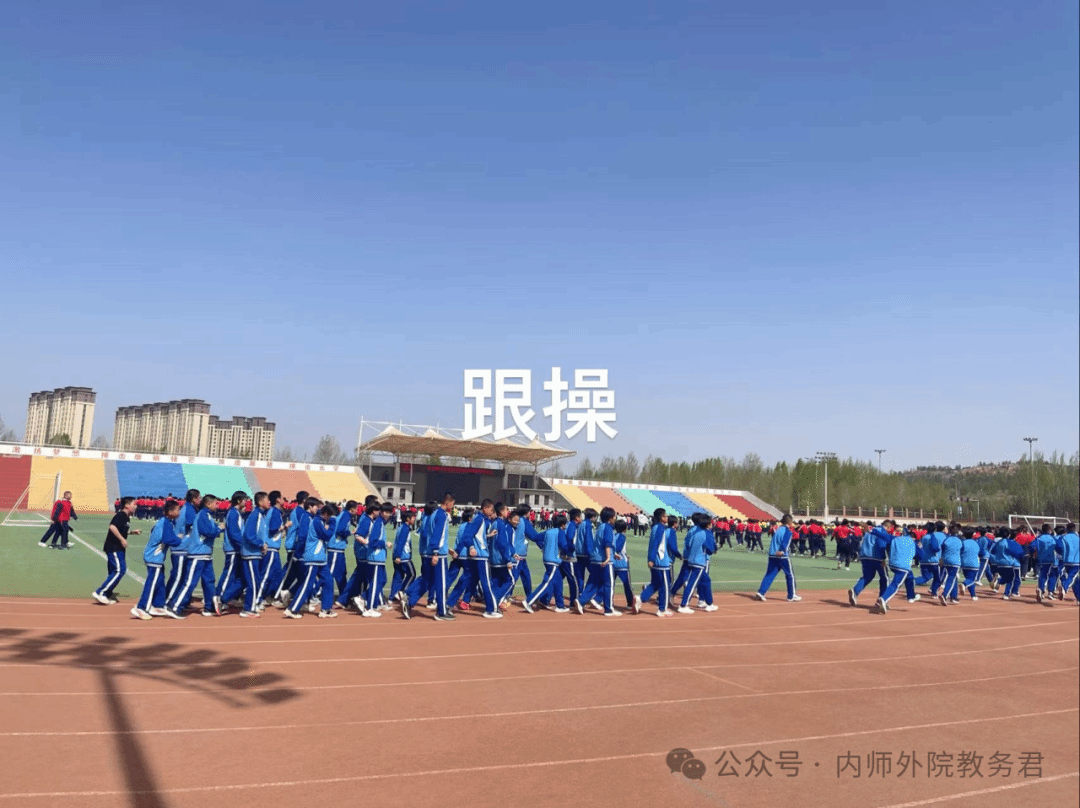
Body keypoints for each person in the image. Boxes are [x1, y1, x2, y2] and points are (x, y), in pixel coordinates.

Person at [168, 494, 223, 617]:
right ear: (208, 504)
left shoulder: (208, 515)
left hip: (206, 554)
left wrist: (218, 529)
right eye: (215, 503)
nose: (217, 506)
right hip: (198, 554)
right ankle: (175, 606)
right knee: (190, 582)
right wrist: (219, 529)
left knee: (209, 581)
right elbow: (208, 531)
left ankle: (209, 607)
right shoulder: (203, 515)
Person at [285, 501, 336, 619]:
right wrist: (332, 525)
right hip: (313, 557)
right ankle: (292, 609)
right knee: (307, 584)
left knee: (328, 580)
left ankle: (326, 609)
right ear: (326, 514)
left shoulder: (320, 521)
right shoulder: (317, 521)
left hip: (320, 558)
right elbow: (326, 535)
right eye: (331, 516)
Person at [133, 499, 183, 619]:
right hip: (154, 557)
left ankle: (157, 605)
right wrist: (179, 539)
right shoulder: (166, 523)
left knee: (160, 581)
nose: (179, 512)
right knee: (152, 582)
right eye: (177, 510)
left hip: (156, 558)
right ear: (170, 512)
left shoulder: (166, 522)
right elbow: (168, 539)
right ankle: (141, 607)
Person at [92, 496, 140, 605]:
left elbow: (121, 529)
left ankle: (106, 594)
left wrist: (132, 532)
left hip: (118, 548)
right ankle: (101, 592)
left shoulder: (127, 517)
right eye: (134, 504)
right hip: (114, 547)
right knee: (120, 570)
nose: (135, 506)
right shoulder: (120, 515)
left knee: (113, 571)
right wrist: (122, 539)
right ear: (127, 505)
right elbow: (112, 527)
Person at [577, 506, 619, 617]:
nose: (615, 518)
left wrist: (614, 553)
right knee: (608, 584)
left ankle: (581, 601)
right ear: (610, 518)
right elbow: (607, 543)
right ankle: (609, 609)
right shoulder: (608, 528)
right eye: (614, 516)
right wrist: (608, 557)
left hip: (595, 559)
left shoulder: (600, 527)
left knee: (594, 583)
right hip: (604, 560)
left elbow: (599, 543)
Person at [636, 508, 675, 616]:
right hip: (661, 561)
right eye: (665, 516)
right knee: (665, 585)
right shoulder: (660, 528)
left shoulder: (655, 527)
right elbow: (655, 545)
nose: (667, 517)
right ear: (661, 518)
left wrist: (650, 559)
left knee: (655, 583)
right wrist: (652, 559)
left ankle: (641, 598)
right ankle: (662, 609)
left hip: (657, 560)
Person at [676, 512, 718, 613]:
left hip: (691, 559)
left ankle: (709, 603)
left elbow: (689, 545)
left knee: (706, 581)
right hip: (699, 562)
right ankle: (683, 605)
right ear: (707, 524)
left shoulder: (696, 532)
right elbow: (710, 549)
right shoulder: (705, 533)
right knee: (692, 584)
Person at [754, 513, 800, 602]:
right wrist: (782, 550)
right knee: (789, 575)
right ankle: (791, 595)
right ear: (790, 522)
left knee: (770, 574)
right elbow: (785, 543)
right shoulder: (787, 531)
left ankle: (761, 592)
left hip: (772, 555)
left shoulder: (778, 529)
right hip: (782, 556)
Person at [873, 527, 920, 614]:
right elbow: (921, 555)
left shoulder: (896, 538)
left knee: (910, 577)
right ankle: (883, 599)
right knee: (895, 584)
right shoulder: (913, 543)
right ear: (913, 537)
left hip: (892, 564)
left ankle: (911, 596)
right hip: (903, 566)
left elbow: (884, 536)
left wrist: (874, 531)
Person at [847, 520, 893, 607]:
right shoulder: (882, 532)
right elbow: (881, 544)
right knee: (884, 578)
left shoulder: (870, 531)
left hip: (865, 556)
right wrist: (883, 558)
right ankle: (882, 599)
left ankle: (855, 591)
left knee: (867, 576)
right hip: (877, 557)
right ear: (888, 526)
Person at [239, 492, 270, 618]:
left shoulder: (260, 515)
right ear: (261, 502)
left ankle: (251, 606)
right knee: (253, 582)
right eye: (267, 500)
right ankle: (248, 609)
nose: (269, 502)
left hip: (255, 554)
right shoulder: (255, 515)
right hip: (250, 554)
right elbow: (249, 535)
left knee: (255, 581)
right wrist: (261, 544)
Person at [390, 508, 417, 602]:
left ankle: (392, 596)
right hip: (403, 556)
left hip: (398, 555)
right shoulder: (405, 529)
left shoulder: (402, 527)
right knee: (412, 574)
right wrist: (398, 556)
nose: (414, 519)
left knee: (398, 576)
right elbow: (401, 543)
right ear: (408, 519)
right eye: (413, 517)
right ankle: (401, 591)